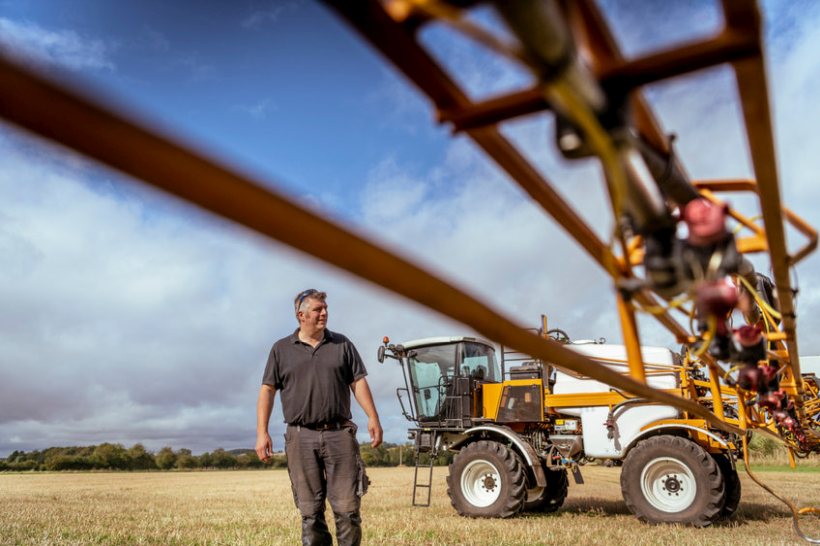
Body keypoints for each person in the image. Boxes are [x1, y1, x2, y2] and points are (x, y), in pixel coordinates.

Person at [256, 289, 383, 546]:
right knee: (310, 513)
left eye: (325, 308)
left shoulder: (342, 344)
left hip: (339, 435)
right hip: (300, 436)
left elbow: (358, 382)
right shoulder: (281, 349)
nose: (324, 313)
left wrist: (373, 417)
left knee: (348, 510)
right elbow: (268, 389)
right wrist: (262, 431)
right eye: (318, 309)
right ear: (301, 315)